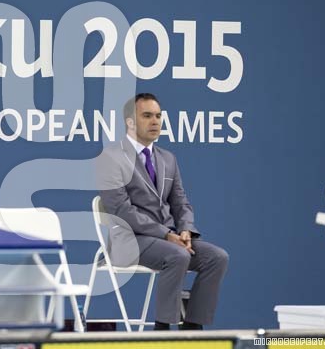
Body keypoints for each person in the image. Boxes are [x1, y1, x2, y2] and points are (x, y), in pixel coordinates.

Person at [96, 93, 228, 330]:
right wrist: (166, 234)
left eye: (158, 116)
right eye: (147, 116)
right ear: (130, 122)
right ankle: (163, 330)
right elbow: (121, 210)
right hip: (129, 241)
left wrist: (185, 230)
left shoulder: (168, 158)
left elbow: (180, 202)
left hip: (169, 239)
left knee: (217, 258)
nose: (155, 121)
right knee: (178, 255)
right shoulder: (111, 158)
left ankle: (192, 329)